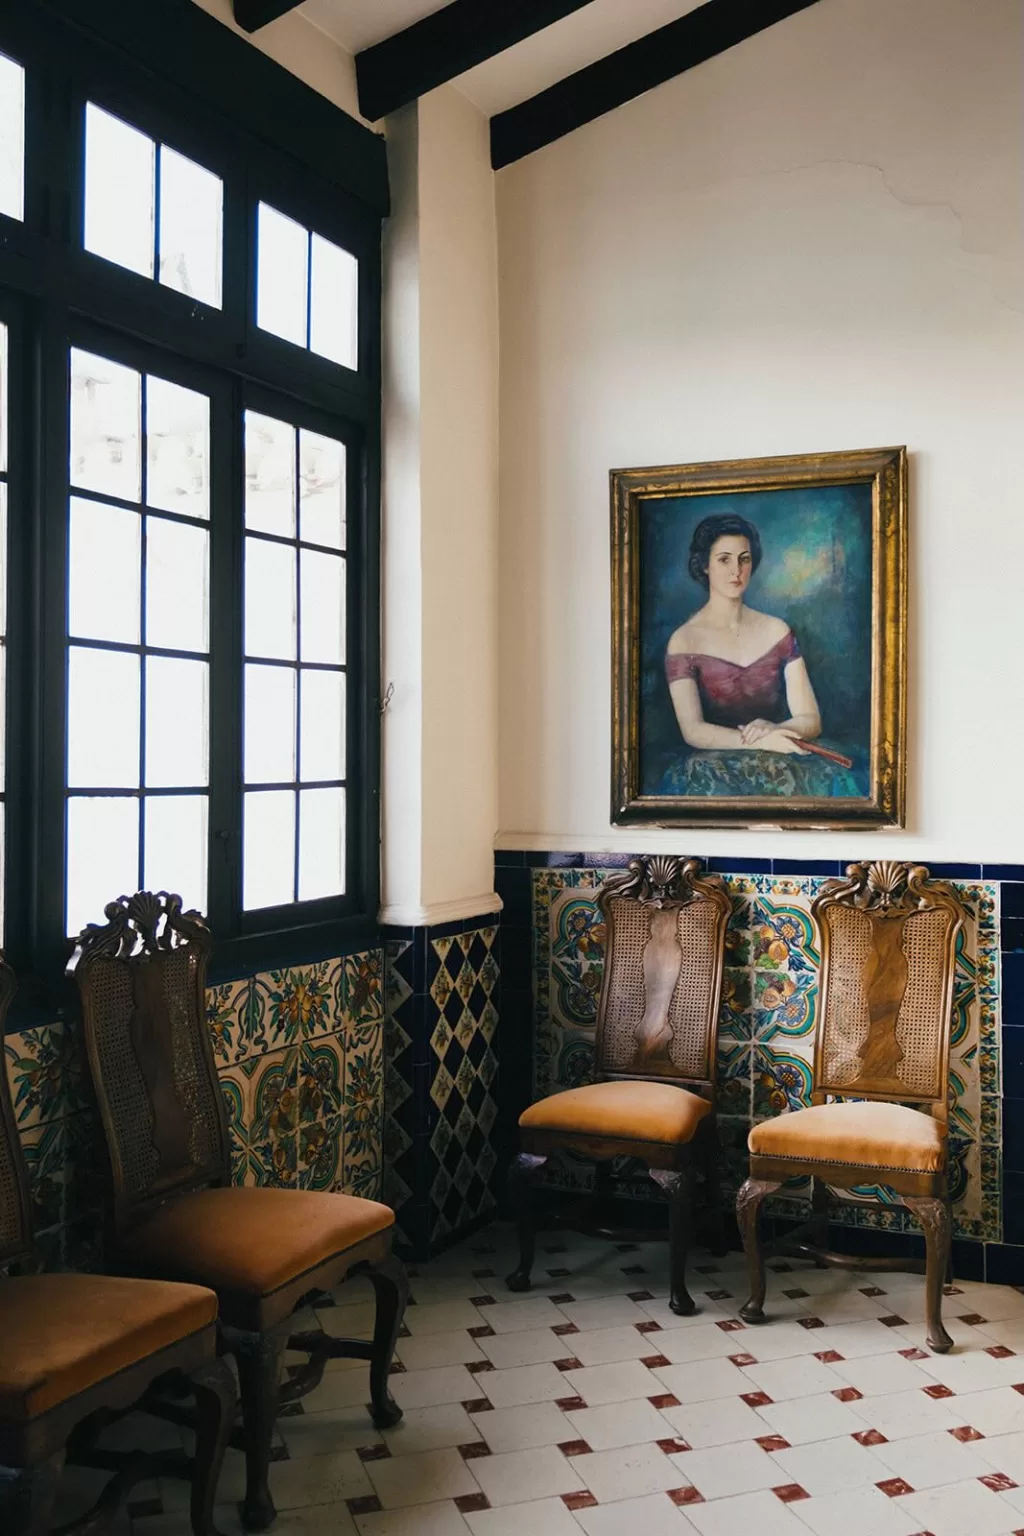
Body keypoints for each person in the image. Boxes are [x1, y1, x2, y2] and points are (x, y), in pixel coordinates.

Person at [665, 513, 821, 756]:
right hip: (715, 769)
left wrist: (775, 729)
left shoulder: (777, 630)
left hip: (781, 753)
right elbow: (693, 730)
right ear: (705, 565)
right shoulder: (684, 640)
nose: (736, 571)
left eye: (744, 559)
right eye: (724, 560)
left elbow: (811, 719)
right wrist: (757, 741)